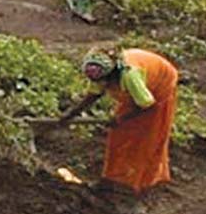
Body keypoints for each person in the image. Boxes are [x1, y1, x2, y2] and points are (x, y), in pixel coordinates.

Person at [57, 48, 178, 196]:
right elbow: (93, 95)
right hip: (139, 94)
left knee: (145, 139)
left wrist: (121, 118)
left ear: (111, 76)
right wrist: (69, 115)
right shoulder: (100, 72)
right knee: (118, 136)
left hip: (159, 86)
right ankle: (114, 178)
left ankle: (141, 182)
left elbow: (147, 104)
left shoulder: (129, 76)